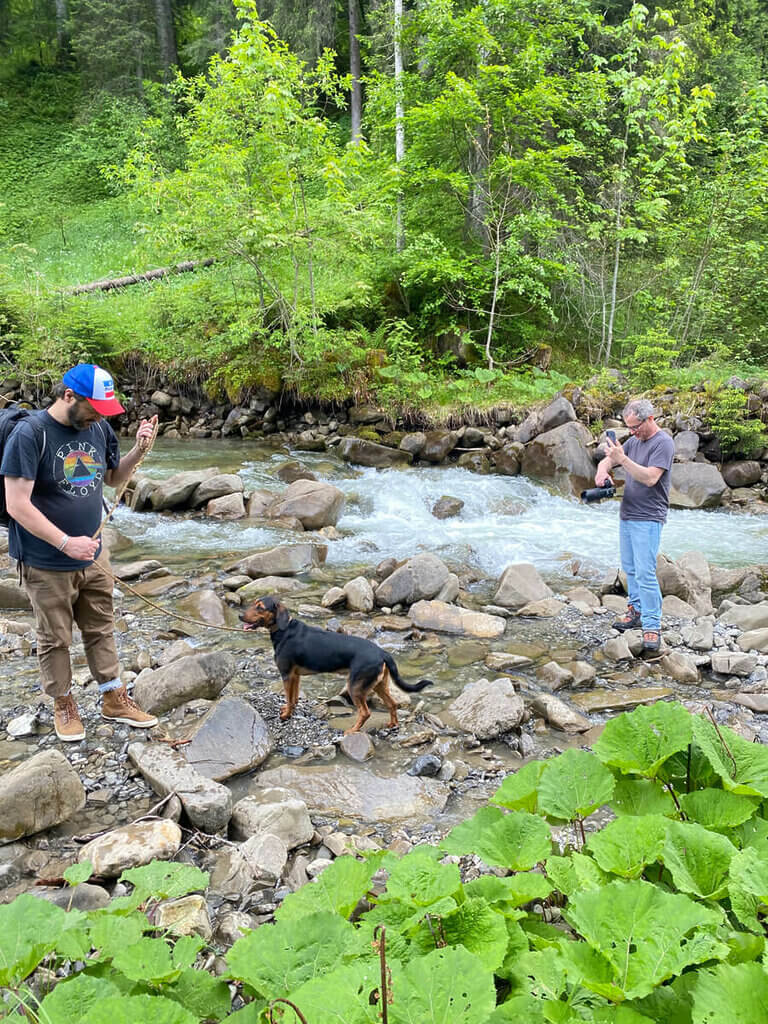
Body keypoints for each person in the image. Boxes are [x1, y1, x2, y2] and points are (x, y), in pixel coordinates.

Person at [1, 363, 159, 741]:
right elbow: (16, 504)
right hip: (46, 559)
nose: (100, 417)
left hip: (93, 553)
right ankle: (64, 703)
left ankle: (113, 697)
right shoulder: (30, 434)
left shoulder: (98, 428)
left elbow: (113, 478)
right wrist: (65, 543)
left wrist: (138, 450)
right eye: (95, 409)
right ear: (69, 396)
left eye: (105, 411)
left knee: (101, 626)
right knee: (55, 636)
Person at [594, 398, 675, 653]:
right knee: (630, 569)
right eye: (628, 427)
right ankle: (636, 610)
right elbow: (610, 460)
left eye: (635, 427)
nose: (631, 432)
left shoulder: (663, 443)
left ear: (649, 419)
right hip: (628, 513)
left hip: (649, 517)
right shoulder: (634, 441)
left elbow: (650, 478)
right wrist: (602, 470)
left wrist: (622, 459)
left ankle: (652, 624)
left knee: (645, 572)